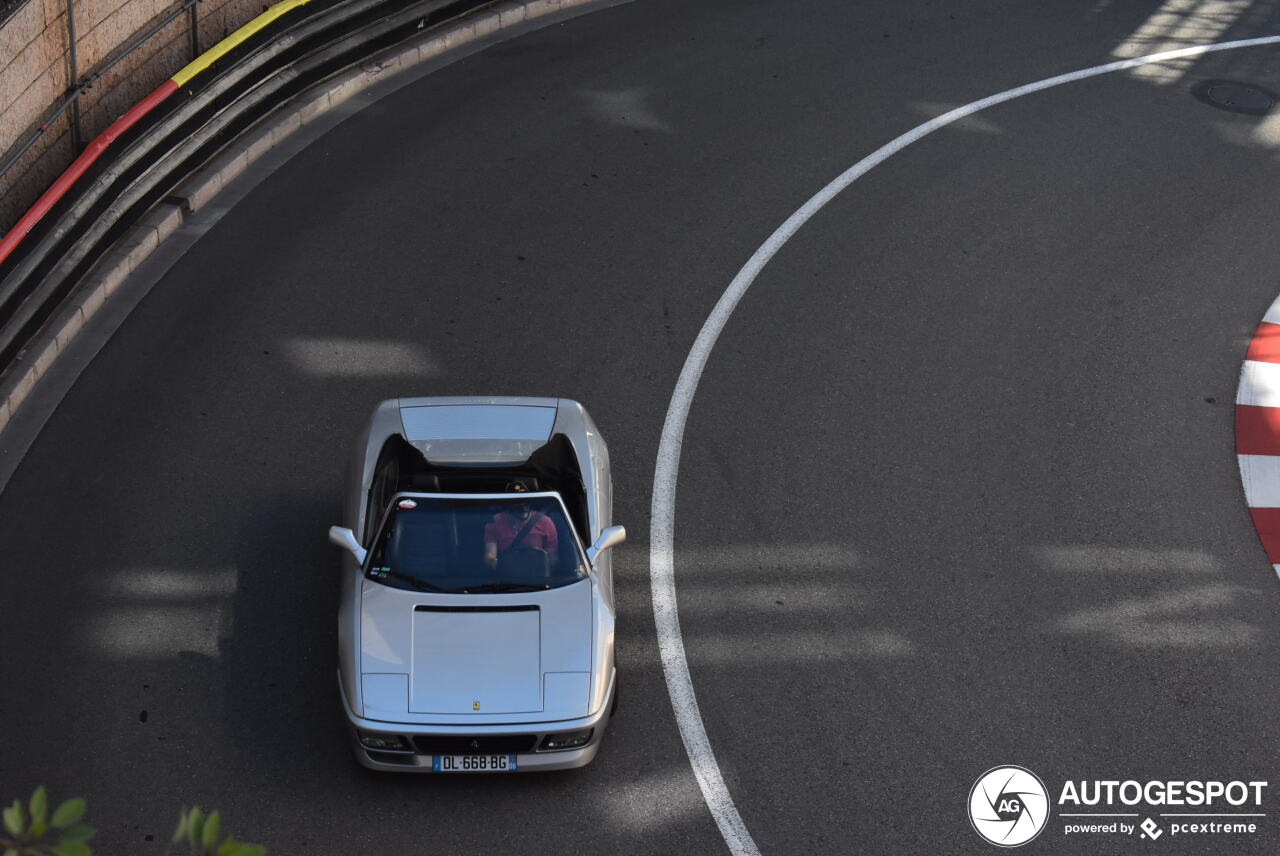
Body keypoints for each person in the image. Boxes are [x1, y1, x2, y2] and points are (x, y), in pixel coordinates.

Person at [483, 488, 558, 571]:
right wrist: (494, 564)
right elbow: (490, 555)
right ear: (509, 506)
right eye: (518, 506)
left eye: (525, 503)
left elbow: (552, 558)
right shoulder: (494, 523)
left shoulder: (545, 522)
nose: (523, 509)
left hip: (538, 577)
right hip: (508, 577)